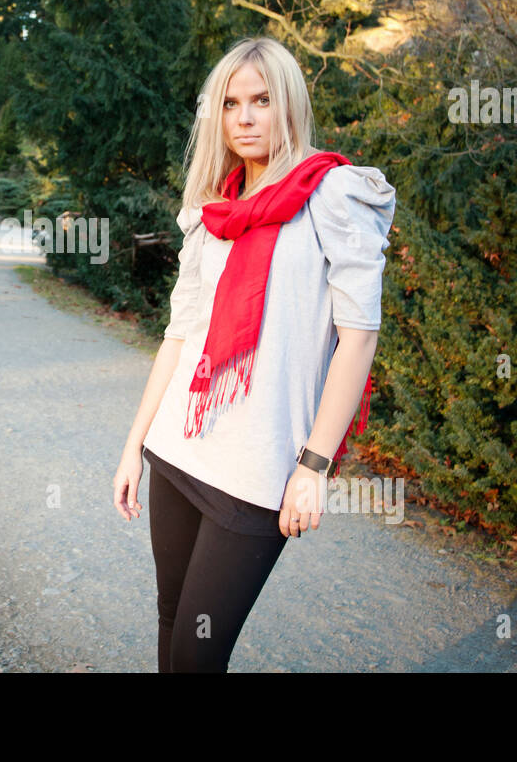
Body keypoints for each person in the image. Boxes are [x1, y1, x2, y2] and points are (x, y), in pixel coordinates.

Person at [112, 36, 397, 672]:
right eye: (231, 102)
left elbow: (359, 335)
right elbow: (180, 334)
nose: (244, 116)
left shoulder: (334, 194)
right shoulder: (212, 210)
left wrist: (314, 465)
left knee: (196, 654)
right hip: (179, 451)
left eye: (262, 100)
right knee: (169, 620)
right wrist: (134, 445)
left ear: (288, 103)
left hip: (259, 468)